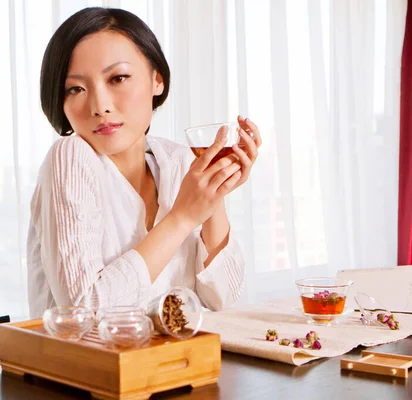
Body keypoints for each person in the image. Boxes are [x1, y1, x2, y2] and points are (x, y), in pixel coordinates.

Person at [27, 7, 261, 318]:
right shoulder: (70, 157)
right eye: (76, 88)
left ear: (157, 80)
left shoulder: (178, 160)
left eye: (118, 78)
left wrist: (212, 196)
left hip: (173, 363)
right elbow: (82, 312)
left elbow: (222, 298)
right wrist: (182, 218)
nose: (100, 105)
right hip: (87, 366)